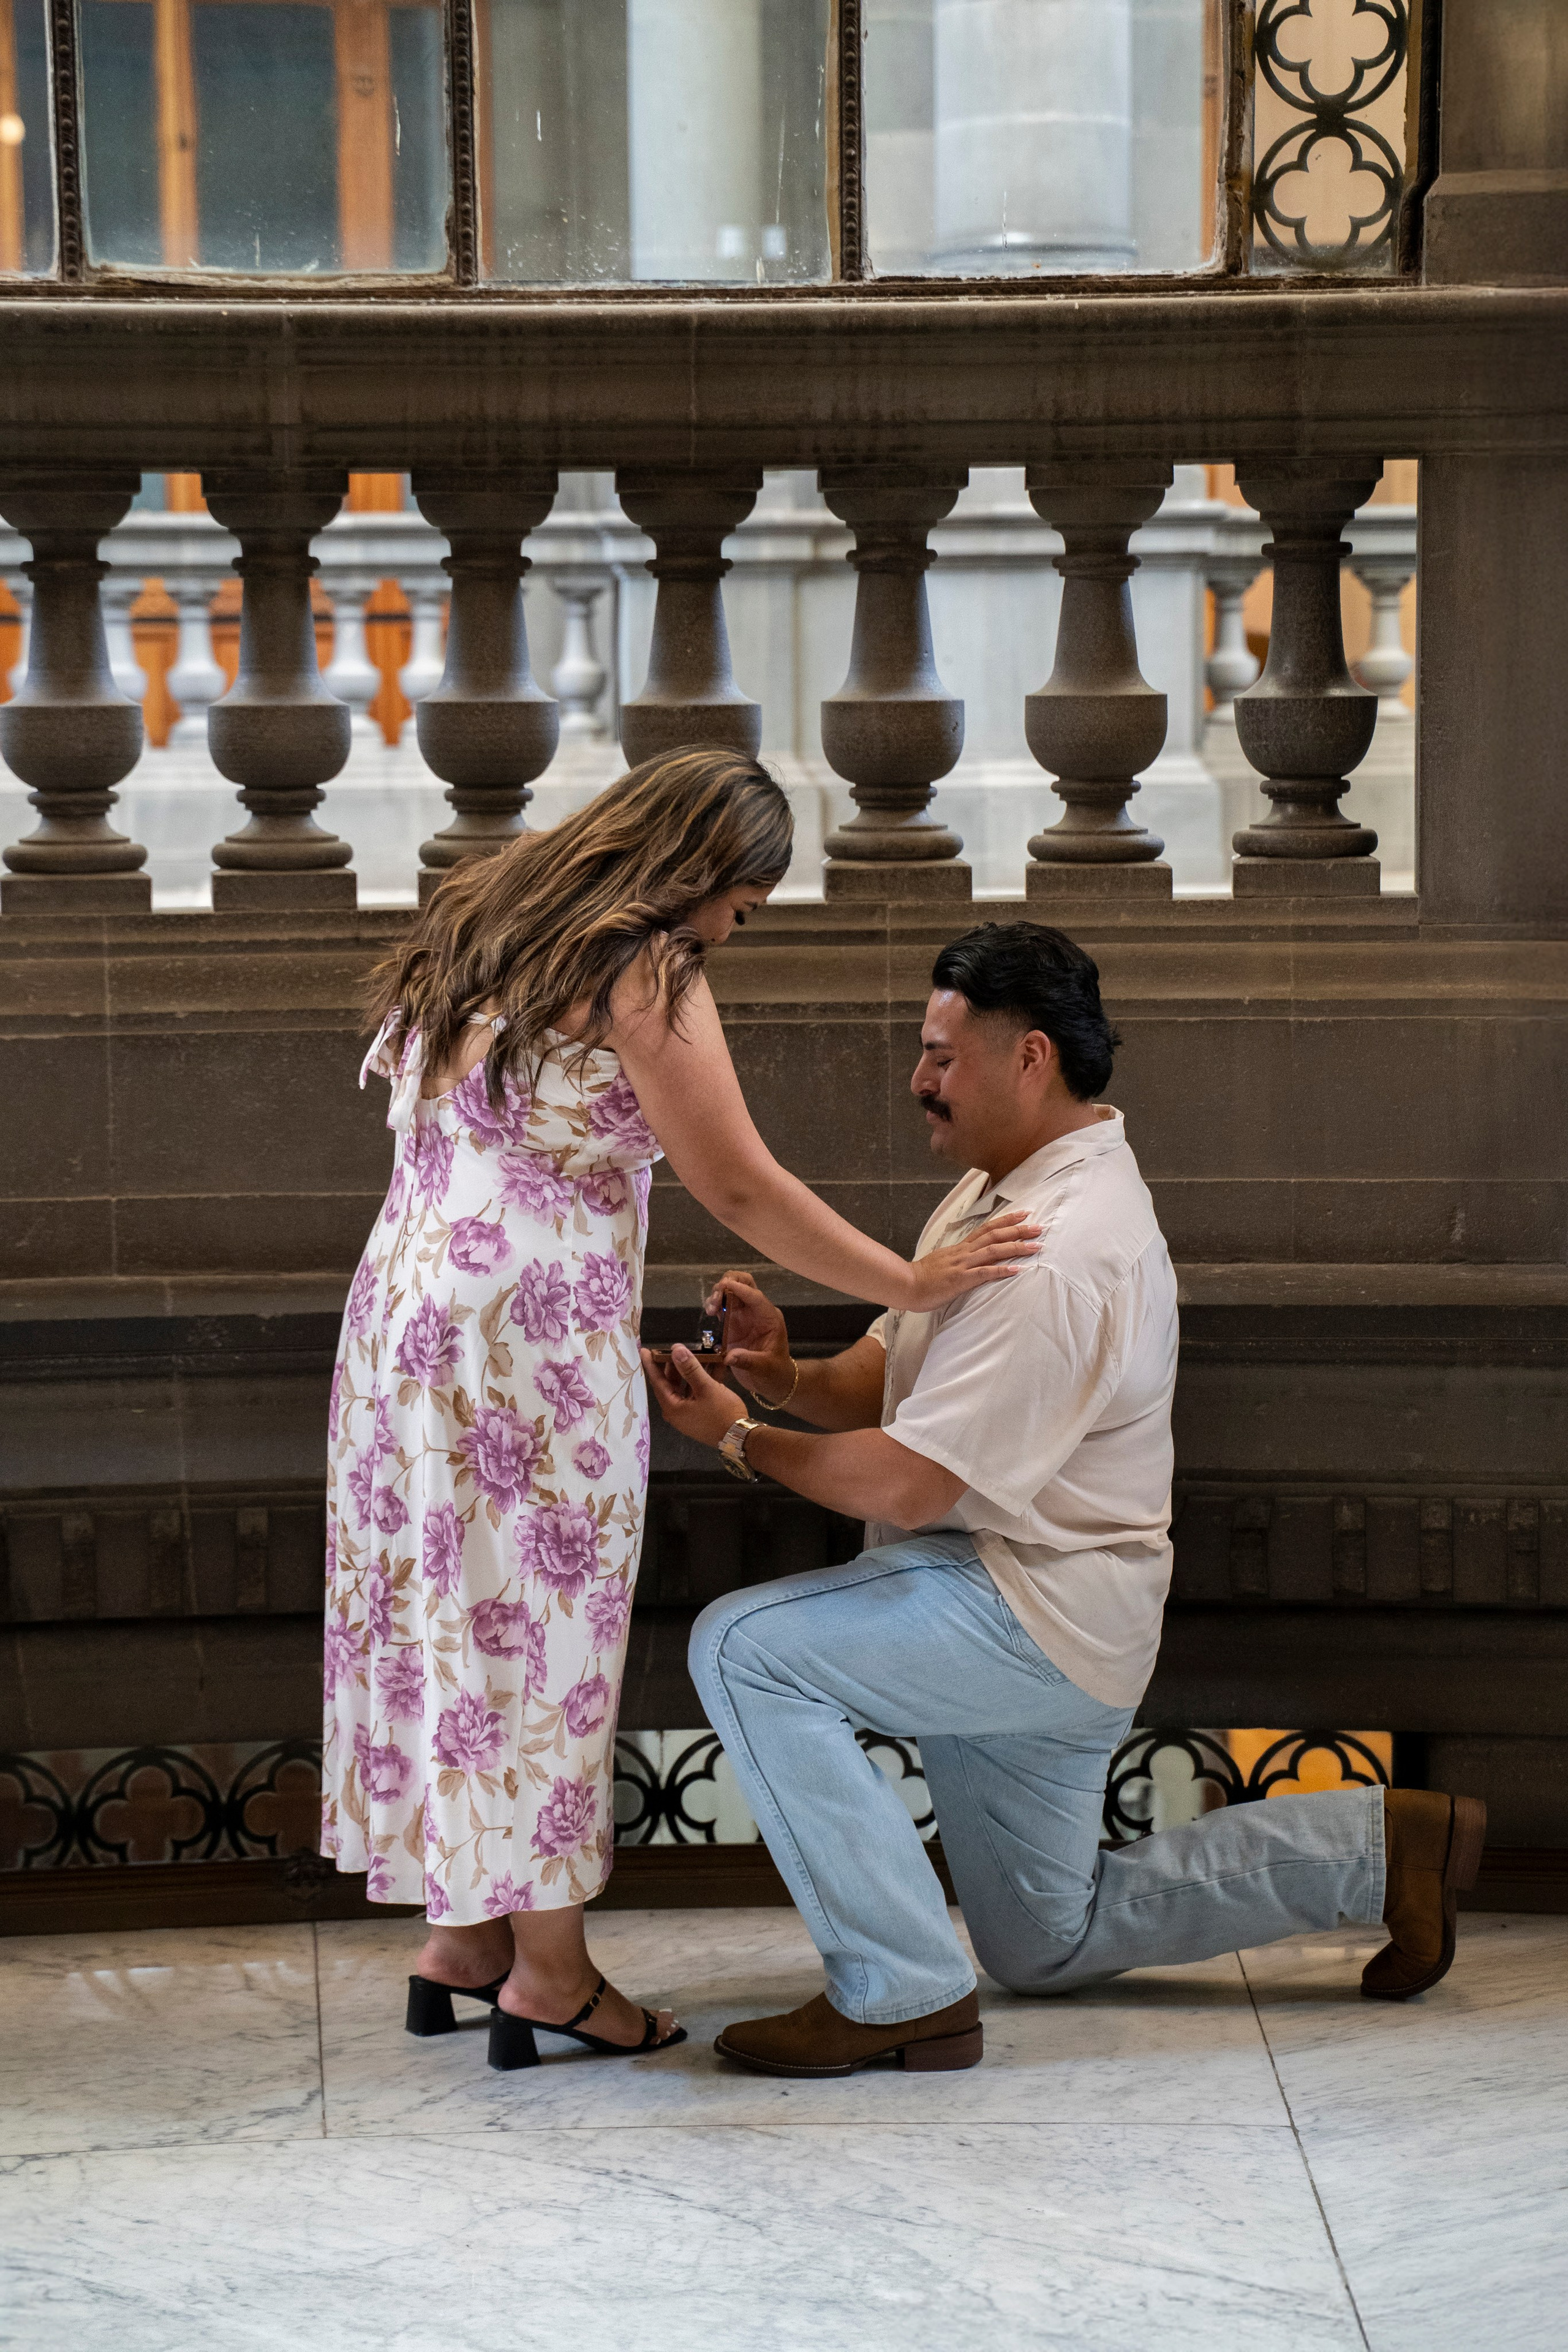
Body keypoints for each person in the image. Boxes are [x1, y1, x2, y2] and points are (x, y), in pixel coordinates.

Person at [646, 920, 1487, 2078]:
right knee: (1046, 1941)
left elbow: (912, 1477)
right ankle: (1381, 1851)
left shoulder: (1056, 1245)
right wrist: (784, 1375)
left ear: (1029, 1056)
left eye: (943, 1055)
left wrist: (736, 1440)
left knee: (744, 1649)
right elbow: (894, 1380)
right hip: (1061, 1620)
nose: (919, 1079)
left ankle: (900, 1994)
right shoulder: (1008, 1189)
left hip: (1018, 1614)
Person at [320, 752, 1038, 2071]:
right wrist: (909, 1279)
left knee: (443, 1615)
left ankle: (466, 1940)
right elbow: (740, 1185)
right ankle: (551, 1976)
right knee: (539, 1637)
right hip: (521, 1341)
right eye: (740, 906)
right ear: (695, 873)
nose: (729, 933)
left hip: (401, 1319)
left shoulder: (484, 910)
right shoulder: (644, 966)